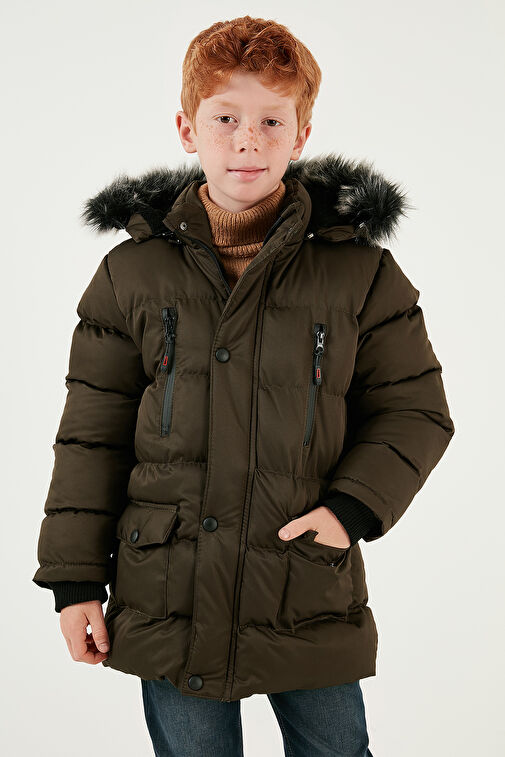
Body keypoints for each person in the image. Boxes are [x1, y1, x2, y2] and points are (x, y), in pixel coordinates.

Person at [32, 14, 455, 757]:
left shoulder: (358, 272)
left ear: (302, 133)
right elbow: (90, 437)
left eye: (271, 120)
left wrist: (350, 510)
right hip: (169, 589)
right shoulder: (131, 274)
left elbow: (414, 408)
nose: (247, 140)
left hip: (303, 583)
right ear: (187, 128)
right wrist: (75, 581)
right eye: (225, 118)